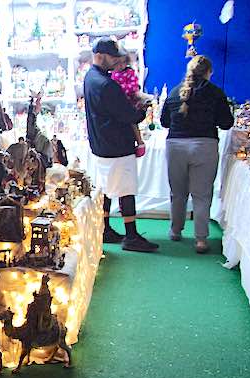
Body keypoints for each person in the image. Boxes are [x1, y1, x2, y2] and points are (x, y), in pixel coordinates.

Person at [83, 37, 157, 252]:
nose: (116, 61)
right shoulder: (107, 84)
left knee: (106, 187)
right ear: (100, 56)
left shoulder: (91, 78)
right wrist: (143, 106)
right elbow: (129, 116)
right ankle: (131, 235)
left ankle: (105, 228)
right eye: (113, 57)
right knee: (126, 189)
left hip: (101, 144)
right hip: (116, 145)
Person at [160, 55, 234, 253]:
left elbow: (164, 122)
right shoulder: (216, 93)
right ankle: (201, 239)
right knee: (201, 195)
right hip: (204, 145)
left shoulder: (175, 92)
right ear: (209, 72)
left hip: (175, 145)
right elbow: (227, 123)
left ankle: (175, 230)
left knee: (178, 192)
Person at [111, 55, 146, 157]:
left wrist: (120, 89)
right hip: (117, 102)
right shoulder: (113, 73)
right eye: (118, 63)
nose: (121, 65)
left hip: (129, 101)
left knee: (133, 122)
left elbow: (134, 87)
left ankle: (139, 141)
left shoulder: (130, 72)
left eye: (123, 63)